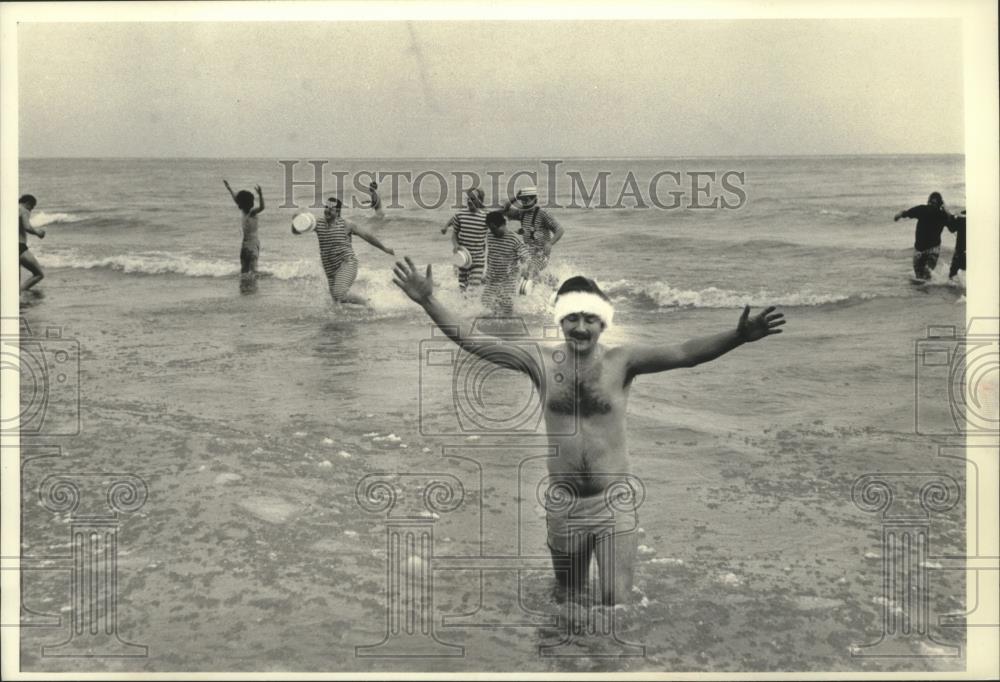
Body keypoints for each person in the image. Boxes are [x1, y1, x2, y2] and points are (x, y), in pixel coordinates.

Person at [391, 264, 786, 604]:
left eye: (590, 319)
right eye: (572, 318)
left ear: (603, 322)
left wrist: (737, 337)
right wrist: (428, 301)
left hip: (611, 502)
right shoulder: (538, 360)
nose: (580, 327)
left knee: (616, 604)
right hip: (563, 504)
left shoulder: (623, 362)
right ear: (560, 320)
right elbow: (473, 341)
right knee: (569, 602)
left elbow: (685, 353)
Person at [305, 197, 395, 304]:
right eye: (326, 207)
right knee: (337, 301)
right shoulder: (318, 223)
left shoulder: (346, 224)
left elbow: (367, 236)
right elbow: (298, 229)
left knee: (339, 294)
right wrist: (297, 220)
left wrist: (384, 249)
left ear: (338, 212)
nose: (327, 210)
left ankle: (368, 303)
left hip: (347, 263)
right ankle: (355, 315)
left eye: (331, 208)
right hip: (330, 270)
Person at [502, 186, 564, 283]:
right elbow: (504, 210)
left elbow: (560, 230)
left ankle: (551, 282)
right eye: (523, 200)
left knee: (530, 271)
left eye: (527, 200)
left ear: (535, 200)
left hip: (541, 253)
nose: (525, 203)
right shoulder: (521, 213)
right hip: (526, 252)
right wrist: (515, 198)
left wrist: (550, 243)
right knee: (510, 268)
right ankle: (549, 281)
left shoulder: (543, 214)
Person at [481, 210, 529, 317]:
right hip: (492, 278)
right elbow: (488, 255)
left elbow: (525, 256)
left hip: (509, 279)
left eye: (494, 229)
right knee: (486, 304)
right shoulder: (490, 236)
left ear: (503, 224)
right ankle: (493, 326)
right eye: (490, 229)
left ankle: (508, 326)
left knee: (506, 306)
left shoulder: (514, 239)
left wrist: (525, 269)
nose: (492, 232)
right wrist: (484, 272)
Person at [894, 192, 950, 280]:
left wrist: (899, 215)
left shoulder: (922, 209)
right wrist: (946, 210)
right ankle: (930, 290)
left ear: (928, 201)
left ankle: (922, 292)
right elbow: (953, 224)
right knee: (927, 275)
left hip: (919, 249)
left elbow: (906, 213)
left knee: (919, 278)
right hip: (933, 250)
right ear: (940, 203)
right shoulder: (943, 215)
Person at [444, 187, 489, 291]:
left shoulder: (486, 216)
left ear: (480, 200)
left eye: (473, 199)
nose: (469, 201)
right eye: (468, 198)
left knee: (472, 289)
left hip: (478, 260)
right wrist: (456, 246)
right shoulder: (460, 215)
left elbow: (495, 233)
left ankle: (474, 305)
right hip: (463, 258)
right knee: (463, 289)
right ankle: (463, 307)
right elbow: (454, 235)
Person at [223, 180, 265, 286]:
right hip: (245, 244)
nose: (238, 204)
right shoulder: (244, 211)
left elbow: (262, 207)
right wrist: (229, 188)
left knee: (252, 268)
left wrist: (260, 194)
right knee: (244, 268)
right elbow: (235, 199)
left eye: (240, 202)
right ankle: (245, 287)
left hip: (253, 244)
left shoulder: (252, 213)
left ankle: (253, 287)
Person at [19, 194, 46, 292]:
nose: (31, 210)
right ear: (28, 203)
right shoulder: (24, 210)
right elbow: (27, 227)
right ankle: (20, 292)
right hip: (19, 247)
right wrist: (38, 233)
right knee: (39, 274)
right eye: (32, 207)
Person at [946, 209, 966, 280]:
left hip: (960, 251)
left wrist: (949, 215)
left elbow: (952, 228)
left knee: (952, 274)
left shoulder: (961, 219)